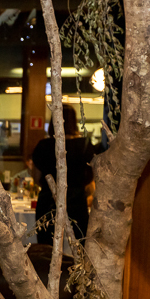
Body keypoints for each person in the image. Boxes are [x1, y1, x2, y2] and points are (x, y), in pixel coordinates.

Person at [32, 104, 96, 244]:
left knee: (46, 248)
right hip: (76, 201)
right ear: (74, 121)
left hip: (48, 201)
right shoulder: (84, 145)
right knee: (80, 246)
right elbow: (91, 176)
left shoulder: (43, 146)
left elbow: (37, 178)